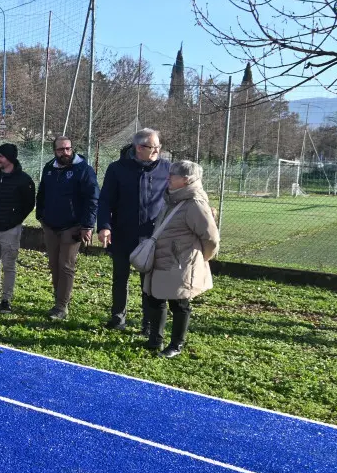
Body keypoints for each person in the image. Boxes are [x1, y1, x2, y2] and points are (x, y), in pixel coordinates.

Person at [142, 160, 219, 358]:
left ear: (187, 180)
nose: (168, 178)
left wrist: (202, 259)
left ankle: (176, 345)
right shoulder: (173, 198)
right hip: (161, 259)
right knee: (155, 297)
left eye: (173, 175)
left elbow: (211, 237)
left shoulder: (195, 203)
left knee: (179, 303)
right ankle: (155, 340)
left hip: (180, 263)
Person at [98, 129, 172, 332]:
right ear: (139, 148)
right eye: (153, 147)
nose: (157, 150)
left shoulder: (167, 169)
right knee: (120, 278)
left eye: (159, 146)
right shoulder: (117, 169)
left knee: (148, 282)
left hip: (152, 236)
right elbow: (105, 201)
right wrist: (104, 226)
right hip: (122, 233)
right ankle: (118, 318)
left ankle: (148, 323)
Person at [35, 136, 99, 321]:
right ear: (54, 151)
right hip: (50, 224)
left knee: (66, 265)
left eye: (68, 149)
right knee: (54, 264)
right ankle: (59, 300)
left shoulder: (83, 170)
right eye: (61, 149)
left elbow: (92, 198)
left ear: (72, 149)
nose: (65, 153)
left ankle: (61, 307)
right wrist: (41, 215)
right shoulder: (49, 169)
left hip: (73, 226)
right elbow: (42, 193)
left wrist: (87, 225)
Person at [0, 143, 35, 314]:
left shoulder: (24, 180)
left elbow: (28, 204)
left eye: (1, 156)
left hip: (10, 230)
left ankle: (6, 299)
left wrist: (14, 220)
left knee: (9, 266)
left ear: (10, 158)